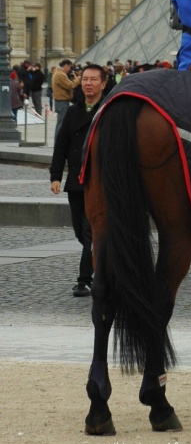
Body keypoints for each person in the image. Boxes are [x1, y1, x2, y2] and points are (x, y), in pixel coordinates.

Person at [49, 64, 109, 297]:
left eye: (94, 79)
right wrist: (55, 176)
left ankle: (85, 280)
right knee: (80, 231)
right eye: (85, 79)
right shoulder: (74, 112)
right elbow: (61, 145)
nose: (88, 83)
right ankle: (100, 269)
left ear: (103, 84)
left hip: (100, 181)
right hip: (76, 181)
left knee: (89, 232)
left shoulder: (109, 110)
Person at [52, 59, 79, 139]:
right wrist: (78, 79)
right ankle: (58, 142)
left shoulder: (58, 73)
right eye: (69, 67)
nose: (70, 69)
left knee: (61, 122)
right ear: (66, 65)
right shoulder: (61, 74)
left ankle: (58, 141)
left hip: (60, 101)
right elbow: (71, 85)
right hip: (62, 101)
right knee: (61, 123)